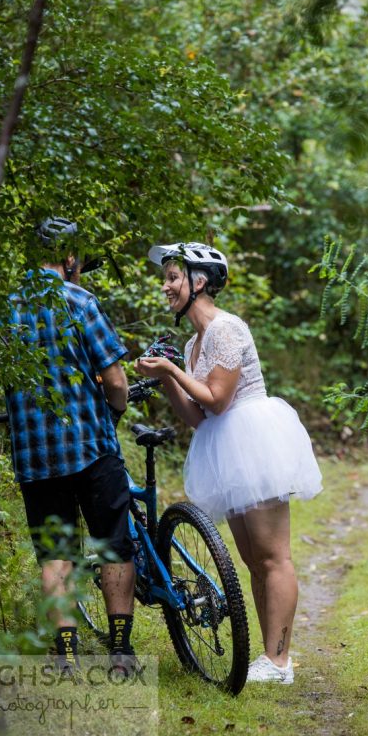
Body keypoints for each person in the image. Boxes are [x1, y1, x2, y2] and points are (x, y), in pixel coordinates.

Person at [134, 242, 323, 685]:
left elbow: (219, 400)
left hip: (254, 440)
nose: (166, 286)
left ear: (200, 281)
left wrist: (172, 370)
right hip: (226, 447)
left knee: (274, 557)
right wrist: (165, 377)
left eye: (174, 277)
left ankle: (279, 662)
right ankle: (269, 658)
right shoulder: (194, 342)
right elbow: (196, 417)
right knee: (254, 560)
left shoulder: (226, 329)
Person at [4, 217, 137, 672]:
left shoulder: (6, 307)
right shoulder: (79, 300)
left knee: (56, 552)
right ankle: (120, 651)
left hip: (36, 457)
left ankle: (65, 655)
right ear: (70, 258)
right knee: (113, 544)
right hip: (91, 448)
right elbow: (116, 380)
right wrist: (113, 412)